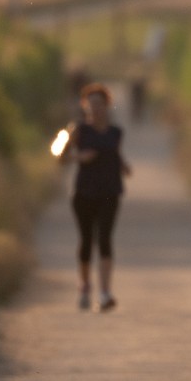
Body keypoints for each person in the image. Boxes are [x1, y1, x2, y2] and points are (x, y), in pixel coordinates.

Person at [58, 83, 131, 311]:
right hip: (84, 193)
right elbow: (59, 156)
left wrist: (123, 166)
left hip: (110, 191)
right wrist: (80, 157)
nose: (96, 108)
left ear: (107, 106)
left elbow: (115, 154)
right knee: (87, 240)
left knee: (106, 239)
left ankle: (105, 293)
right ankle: (84, 286)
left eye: (100, 104)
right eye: (92, 104)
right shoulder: (76, 130)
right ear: (85, 106)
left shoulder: (116, 132)